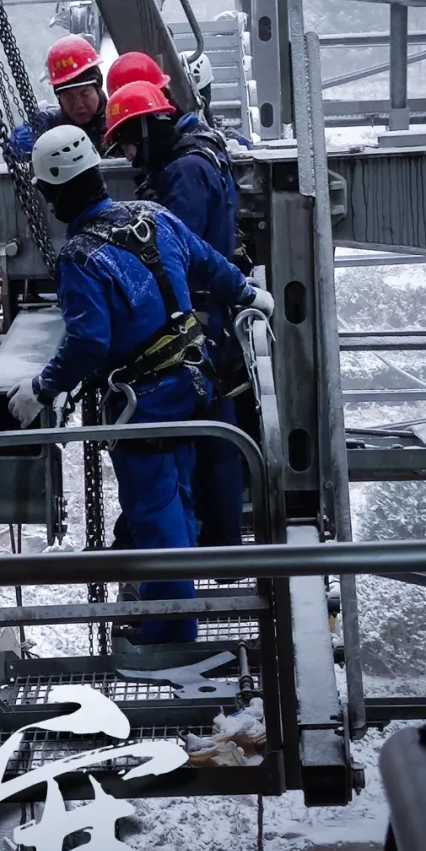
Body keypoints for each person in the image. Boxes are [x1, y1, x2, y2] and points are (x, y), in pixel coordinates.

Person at [6, 126, 272, 646]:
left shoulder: (81, 257)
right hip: (197, 381)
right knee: (181, 496)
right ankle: (173, 607)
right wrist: (248, 294)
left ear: (53, 192)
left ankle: (172, 631)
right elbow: (210, 263)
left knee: (156, 513)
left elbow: (89, 341)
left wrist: (41, 388)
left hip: (147, 401)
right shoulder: (152, 218)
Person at [102, 76, 247, 546]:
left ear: (147, 129)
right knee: (213, 429)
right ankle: (215, 537)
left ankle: (206, 540)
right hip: (212, 313)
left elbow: (175, 251)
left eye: (126, 144)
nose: (127, 156)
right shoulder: (201, 154)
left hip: (199, 318)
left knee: (199, 432)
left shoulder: (183, 172)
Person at [8, 35, 107, 159]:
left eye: (84, 93)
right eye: (68, 97)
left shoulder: (118, 123)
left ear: (98, 89)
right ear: (59, 98)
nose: (78, 104)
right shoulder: (51, 124)